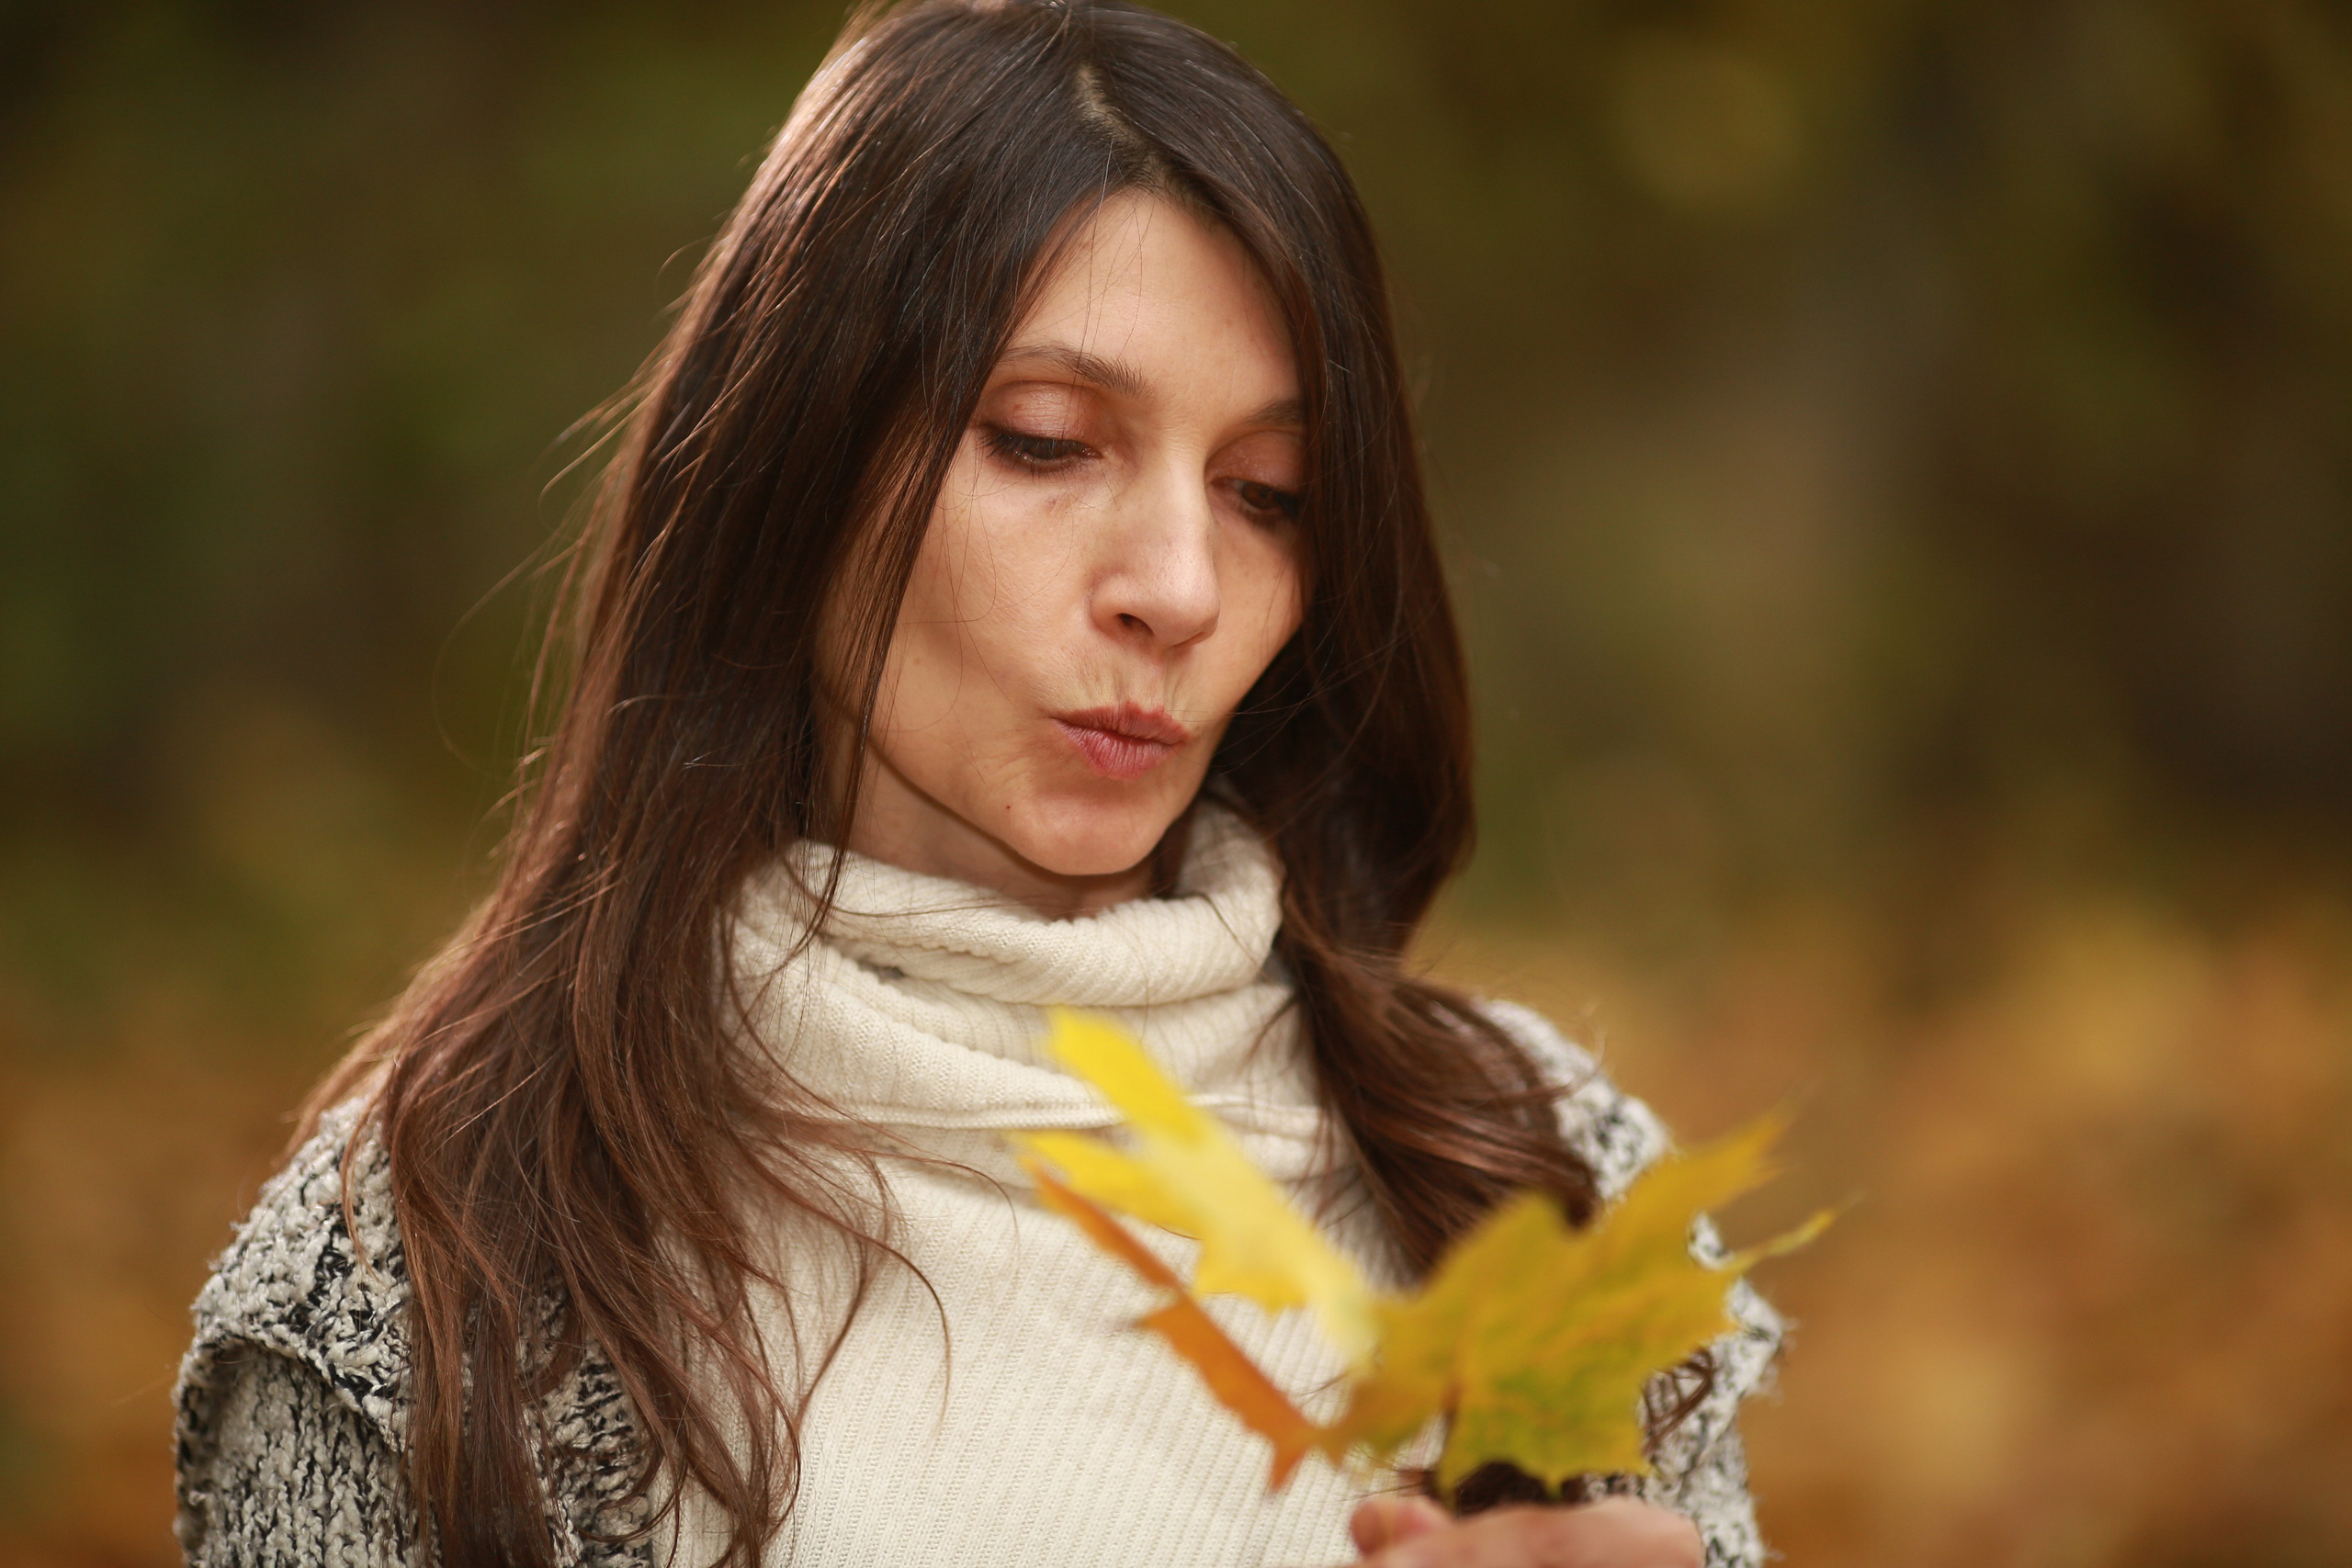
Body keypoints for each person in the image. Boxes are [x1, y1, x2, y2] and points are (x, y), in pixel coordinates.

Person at [172, 3, 1783, 1564]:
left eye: (1268, 492)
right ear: (798, 455)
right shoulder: (419, 1276)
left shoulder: (1541, 1182)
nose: (1180, 586)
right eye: (1047, 440)